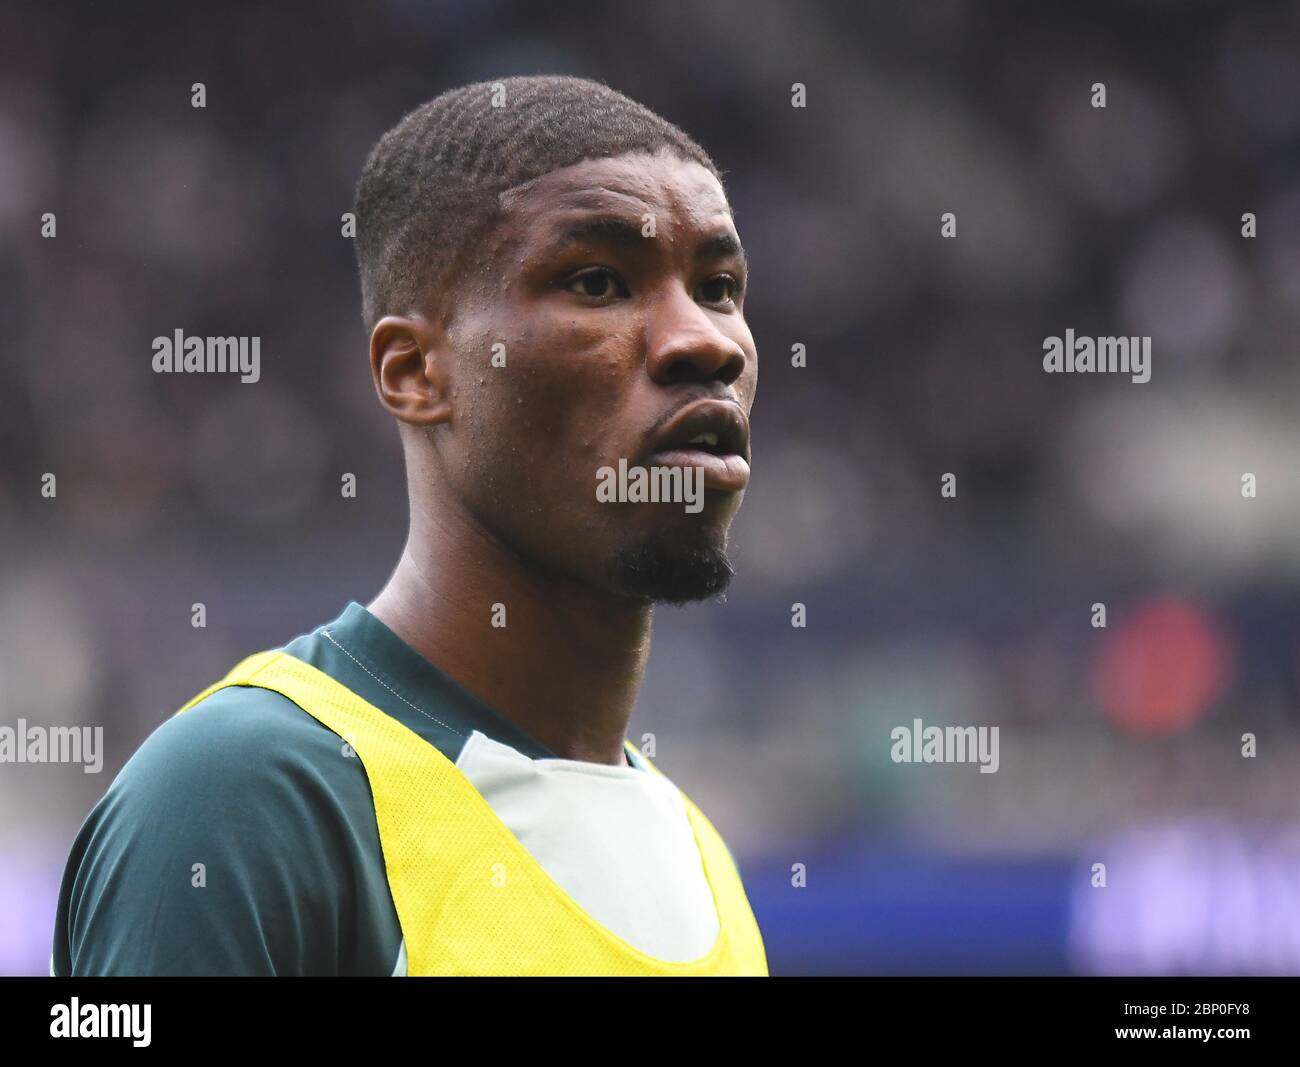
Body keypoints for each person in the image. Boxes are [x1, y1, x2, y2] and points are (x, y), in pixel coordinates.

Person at [52, 75, 765, 976]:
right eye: (598, 281)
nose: (707, 340)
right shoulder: (247, 798)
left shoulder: (702, 860)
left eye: (720, 285)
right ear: (416, 371)